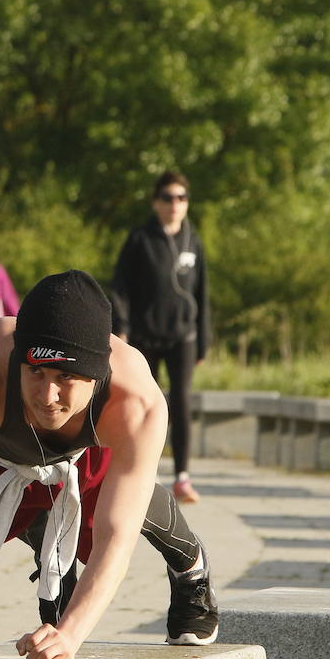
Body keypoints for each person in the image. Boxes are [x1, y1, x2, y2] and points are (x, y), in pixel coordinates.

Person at [0, 270, 218, 659]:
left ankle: (190, 567)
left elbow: (117, 535)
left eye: (66, 378)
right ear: (16, 360)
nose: (47, 396)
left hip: (88, 456)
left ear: (95, 377)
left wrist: (71, 636)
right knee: (45, 599)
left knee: (117, 512)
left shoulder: (136, 402)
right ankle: (55, 592)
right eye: (35, 372)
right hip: (1, 457)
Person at [110, 171, 210, 504]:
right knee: (145, 404)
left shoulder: (192, 240)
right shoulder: (140, 239)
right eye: (167, 197)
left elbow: (202, 291)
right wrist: (121, 326)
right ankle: (144, 471)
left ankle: (182, 476)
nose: (174, 204)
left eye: (181, 198)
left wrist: (204, 340)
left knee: (181, 401)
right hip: (144, 336)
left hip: (183, 335)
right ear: (156, 202)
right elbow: (120, 286)